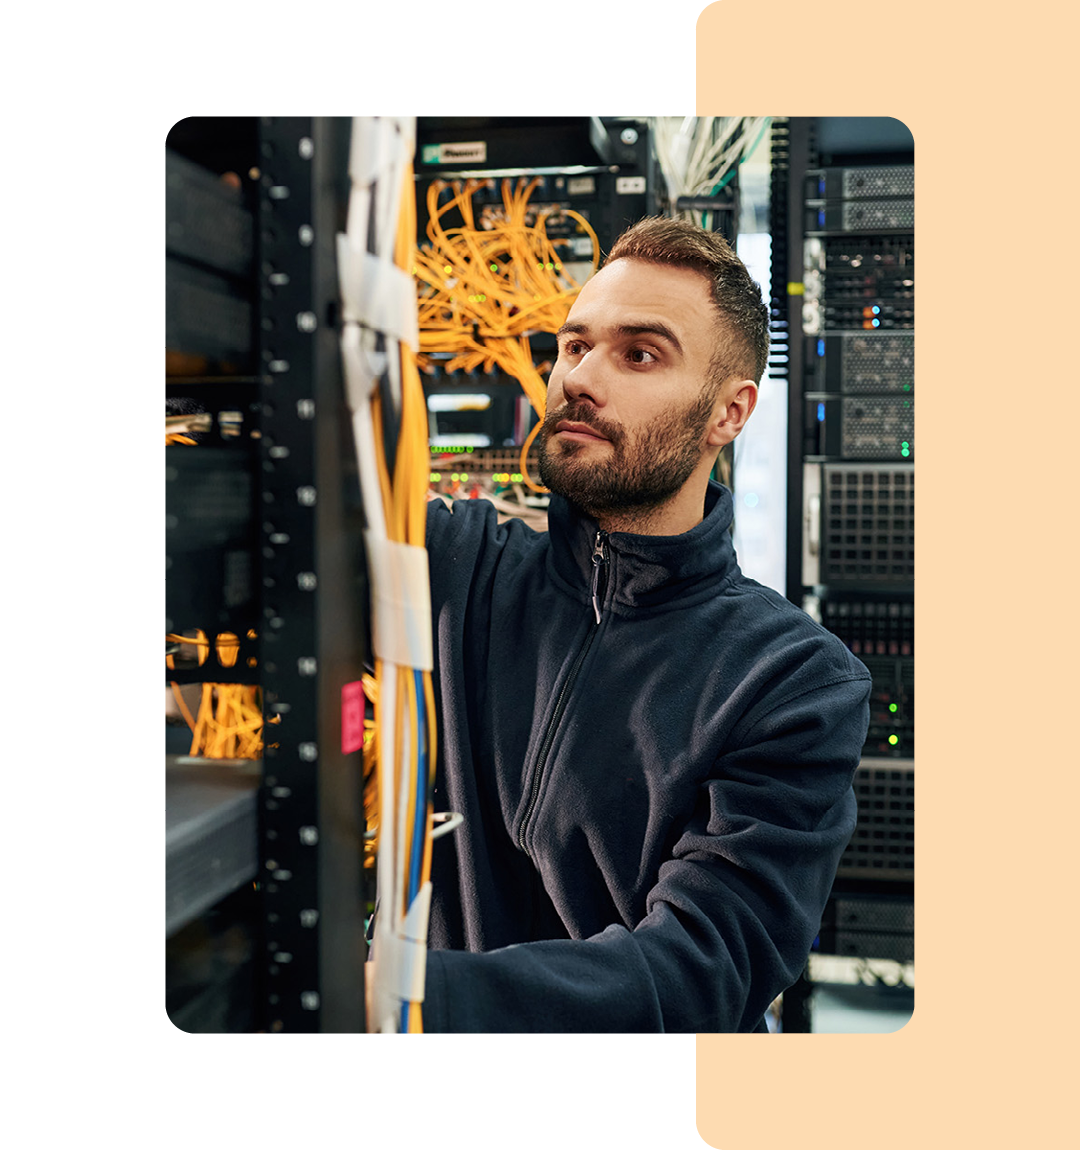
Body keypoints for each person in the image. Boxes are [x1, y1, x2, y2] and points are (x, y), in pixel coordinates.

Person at [416, 216, 871, 1033]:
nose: (581, 379)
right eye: (575, 345)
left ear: (728, 414)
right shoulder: (464, 567)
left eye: (640, 354)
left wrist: (408, 997)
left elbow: (700, 969)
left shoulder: (792, 680)